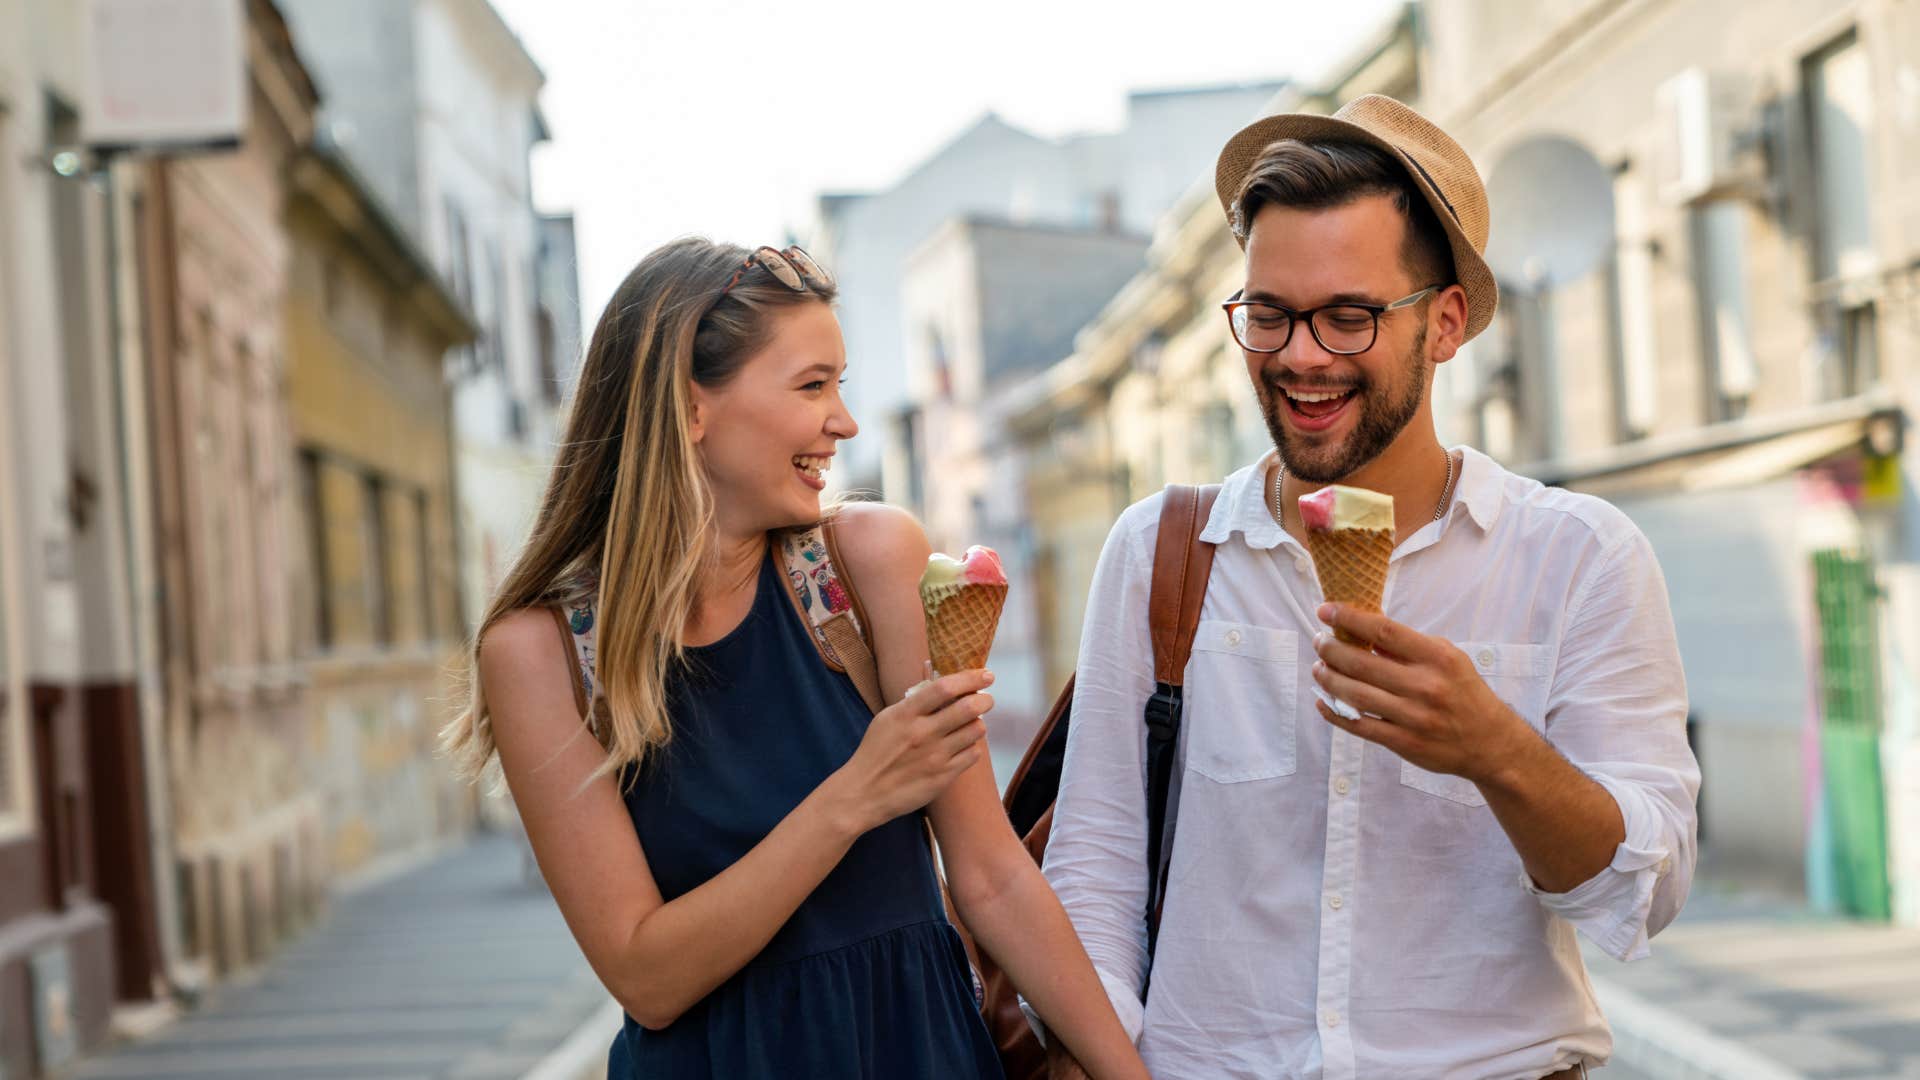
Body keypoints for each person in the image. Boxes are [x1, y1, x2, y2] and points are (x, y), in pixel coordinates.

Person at [1040, 95, 1701, 1080]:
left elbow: (1640, 892)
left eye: (1348, 317)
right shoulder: (1162, 553)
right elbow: (1092, 875)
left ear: (1444, 325)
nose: (1300, 355)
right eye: (1269, 314)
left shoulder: (1578, 558)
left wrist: (1498, 753)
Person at [447, 238, 1149, 1079]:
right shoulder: (540, 653)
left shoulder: (868, 565)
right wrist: (856, 795)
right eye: (813, 385)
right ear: (689, 407)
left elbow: (991, 878)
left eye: (840, 386)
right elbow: (645, 976)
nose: (844, 422)